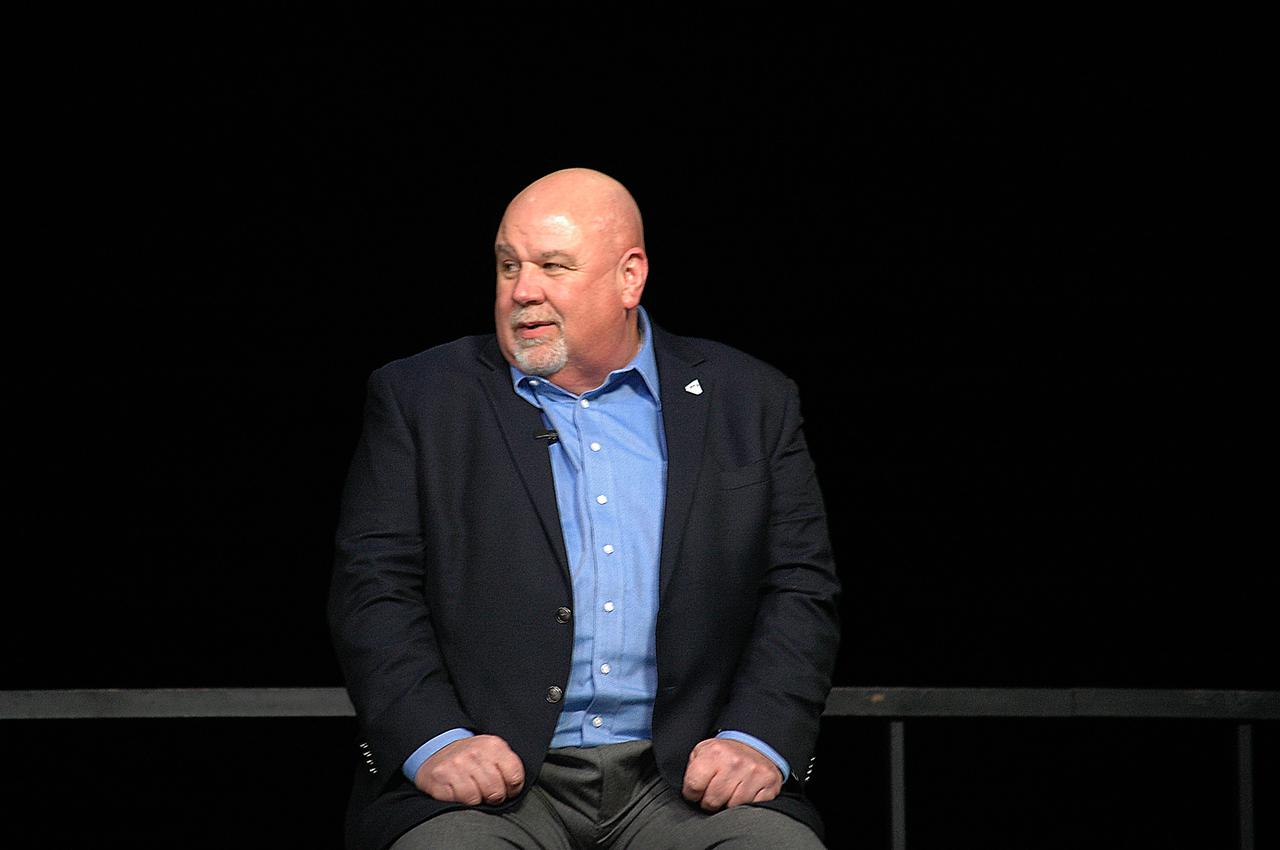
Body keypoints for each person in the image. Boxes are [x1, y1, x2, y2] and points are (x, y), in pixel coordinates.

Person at [329, 167, 841, 850]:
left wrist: (757, 739)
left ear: (630, 278)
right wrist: (436, 742)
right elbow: (374, 589)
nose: (522, 290)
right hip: (496, 787)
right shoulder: (421, 399)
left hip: (684, 780)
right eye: (508, 266)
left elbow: (800, 588)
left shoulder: (751, 400)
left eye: (552, 266)